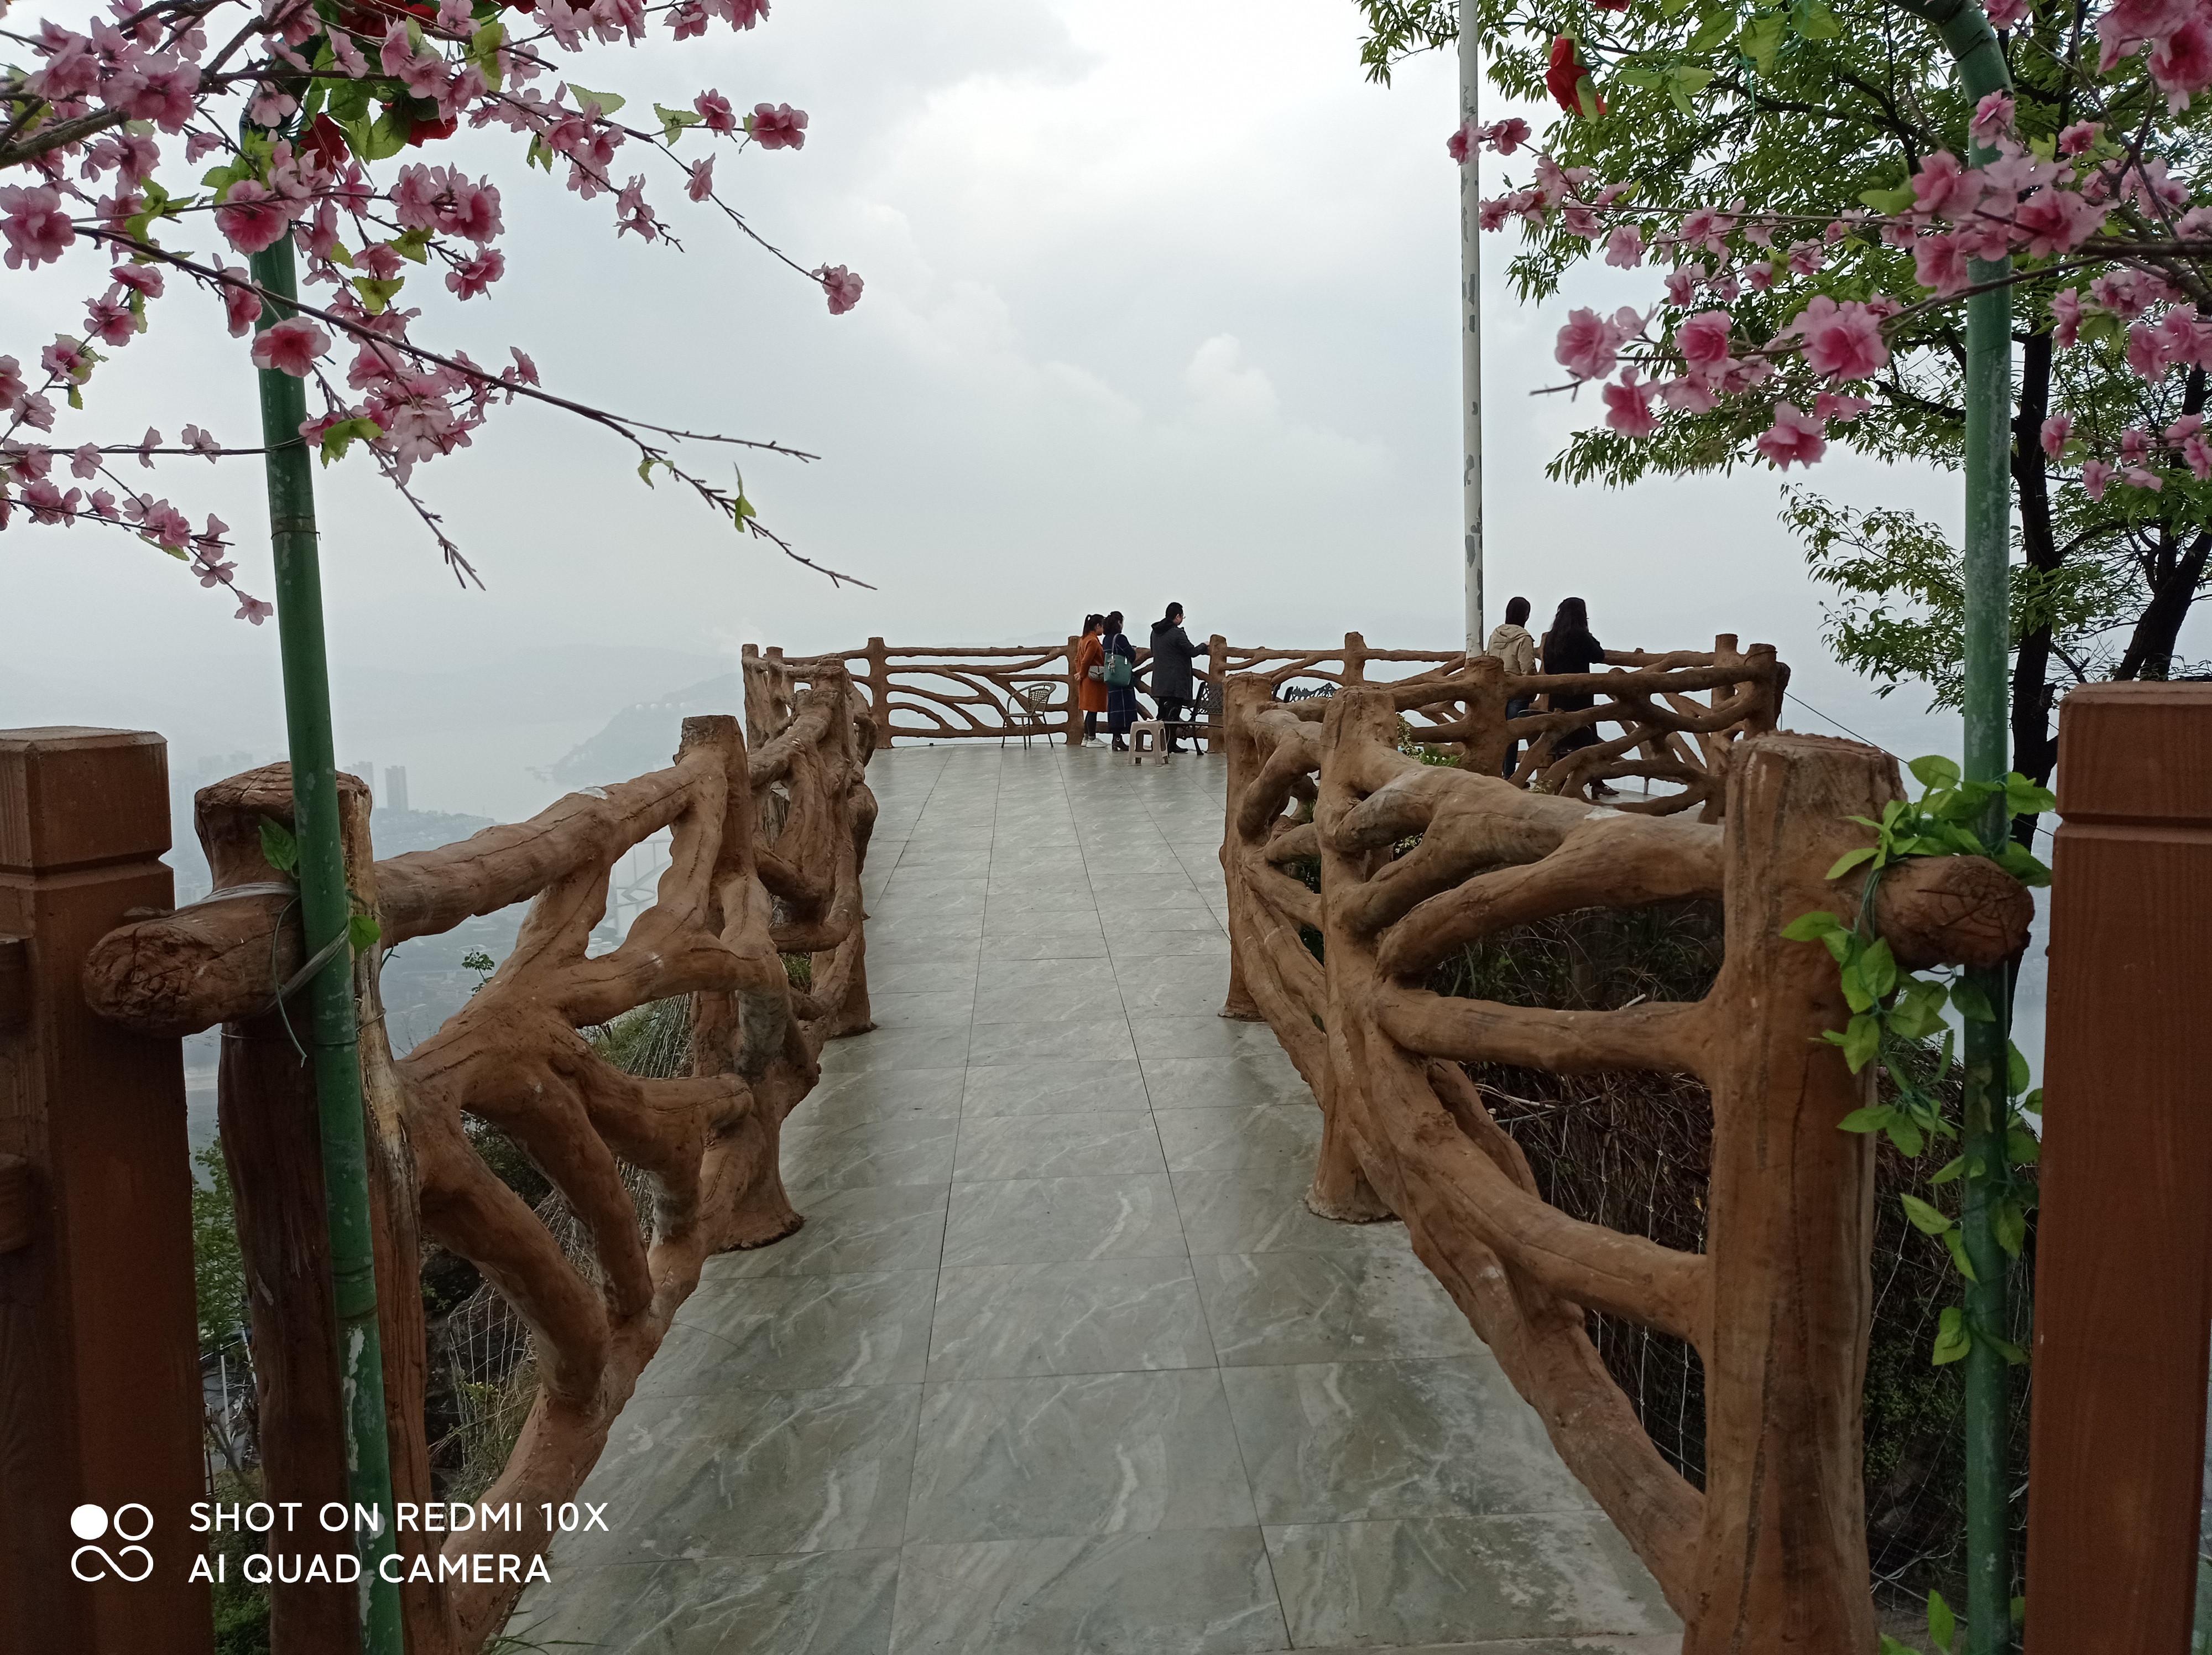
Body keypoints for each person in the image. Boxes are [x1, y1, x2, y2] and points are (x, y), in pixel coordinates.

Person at [1539, 596, 1619, 798]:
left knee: (1560, 740)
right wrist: (1590, 636)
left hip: (1557, 699)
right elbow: (1598, 655)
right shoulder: (1580, 636)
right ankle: (1596, 782)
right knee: (1588, 739)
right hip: (1581, 698)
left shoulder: (1552, 638)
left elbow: (1547, 668)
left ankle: (1557, 779)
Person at [1486, 595, 1536, 779]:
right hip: (1517, 689)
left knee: (1498, 731)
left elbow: (1489, 658)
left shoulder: (1495, 634)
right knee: (1513, 732)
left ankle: (1495, 771)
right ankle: (1510, 774)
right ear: (1525, 615)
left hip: (1497, 689)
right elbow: (1528, 668)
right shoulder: (1524, 638)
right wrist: (1531, 688)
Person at [1148, 603, 1201, 752]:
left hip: (1160, 681)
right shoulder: (1177, 633)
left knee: (1162, 715)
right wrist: (1204, 645)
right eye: (1182, 616)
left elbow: (1155, 650)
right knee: (1173, 716)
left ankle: (1160, 744)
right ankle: (1167, 745)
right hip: (1175, 683)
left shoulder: (1155, 632)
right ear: (1178, 617)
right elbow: (1192, 651)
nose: (1182, 619)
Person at [1101, 610, 1141, 751]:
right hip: (1122, 678)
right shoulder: (1120, 638)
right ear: (1119, 623)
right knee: (1124, 708)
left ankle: (1116, 738)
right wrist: (1133, 650)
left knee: (1115, 708)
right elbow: (1131, 655)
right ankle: (1120, 740)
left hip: (1112, 677)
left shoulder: (1106, 639)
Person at [1074, 613, 1106, 743]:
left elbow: (1077, 659)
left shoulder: (1083, 639)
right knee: (1093, 709)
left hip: (1087, 679)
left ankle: (1086, 738)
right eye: (1103, 627)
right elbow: (1086, 660)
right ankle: (1092, 739)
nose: (1104, 630)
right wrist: (1082, 673)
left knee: (1090, 710)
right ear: (1098, 626)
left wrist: (1080, 673)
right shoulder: (1093, 641)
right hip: (1093, 680)